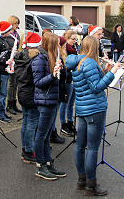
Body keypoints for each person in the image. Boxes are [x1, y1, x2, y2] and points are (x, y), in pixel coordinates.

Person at [65, 35, 121, 196]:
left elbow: (90, 82)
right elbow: (96, 87)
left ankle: (81, 181)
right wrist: (113, 73)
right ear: (93, 47)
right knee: (92, 148)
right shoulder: (89, 62)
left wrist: (107, 70)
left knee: (80, 146)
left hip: (83, 108)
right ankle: (91, 185)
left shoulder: (78, 61)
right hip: (94, 109)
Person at [31, 32, 66, 181]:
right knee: (41, 134)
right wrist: (52, 75)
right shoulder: (39, 58)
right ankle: (40, 166)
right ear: (51, 44)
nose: (59, 45)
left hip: (52, 99)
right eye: (57, 43)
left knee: (46, 135)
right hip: (44, 100)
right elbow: (38, 82)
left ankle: (48, 161)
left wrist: (60, 70)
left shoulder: (52, 57)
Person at [14, 32, 41, 164]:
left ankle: (25, 149)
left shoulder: (20, 57)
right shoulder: (32, 59)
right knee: (31, 122)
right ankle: (29, 151)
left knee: (25, 122)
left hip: (22, 93)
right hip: (31, 94)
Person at [0, 21, 16, 123]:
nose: (11, 32)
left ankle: (2, 112)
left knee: (3, 93)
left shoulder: (6, 40)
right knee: (1, 93)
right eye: (9, 30)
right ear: (6, 31)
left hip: (5, 70)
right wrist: (5, 61)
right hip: (1, 70)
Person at [59, 30, 80, 137]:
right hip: (67, 79)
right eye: (73, 39)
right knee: (65, 103)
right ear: (67, 39)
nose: (75, 41)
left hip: (74, 78)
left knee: (71, 103)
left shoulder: (75, 49)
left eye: (76, 39)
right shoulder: (64, 50)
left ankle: (70, 122)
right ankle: (63, 124)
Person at [6, 15, 23, 115]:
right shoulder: (9, 35)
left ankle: (14, 103)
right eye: (16, 23)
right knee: (12, 84)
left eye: (18, 23)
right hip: (10, 61)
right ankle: (9, 105)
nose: (17, 25)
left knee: (16, 83)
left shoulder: (17, 34)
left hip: (17, 61)